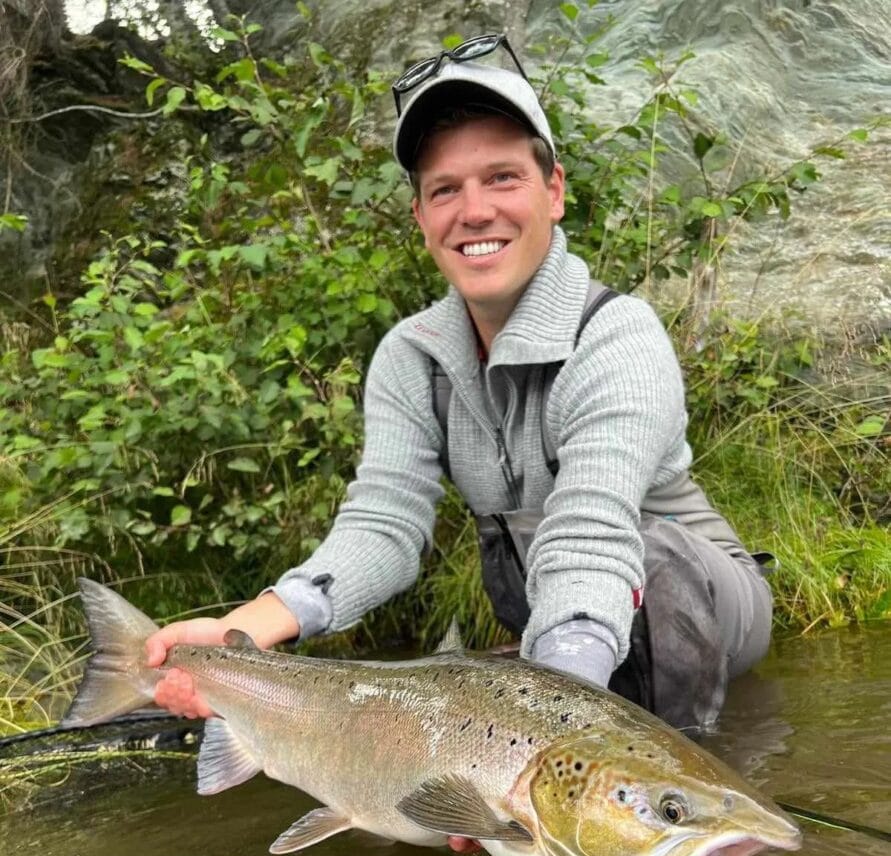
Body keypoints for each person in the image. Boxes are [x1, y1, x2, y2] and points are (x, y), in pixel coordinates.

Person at [149, 36, 772, 745]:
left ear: (554, 192)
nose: (473, 212)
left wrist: (538, 729)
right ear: (420, 218)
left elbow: (590, 534)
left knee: (633, 567)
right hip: (553, 611)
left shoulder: (618, 335)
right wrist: (244, 629)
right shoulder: (410, 358)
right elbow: (383, 526)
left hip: (702, 600)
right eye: (444, 189)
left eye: (502, 177)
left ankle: (680, 746)